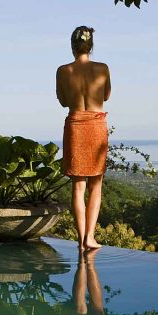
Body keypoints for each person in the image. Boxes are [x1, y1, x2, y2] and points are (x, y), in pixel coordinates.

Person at [57, 26, 111, 250]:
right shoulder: (102, 69)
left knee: (77, 187)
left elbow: (62, 101)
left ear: (72, 46)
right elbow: (106, 96)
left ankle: (81, 240)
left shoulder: (63, 71)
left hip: (76, 126)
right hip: (97, 126)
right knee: (95, 185)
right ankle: (90, 236)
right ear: (91, 45)